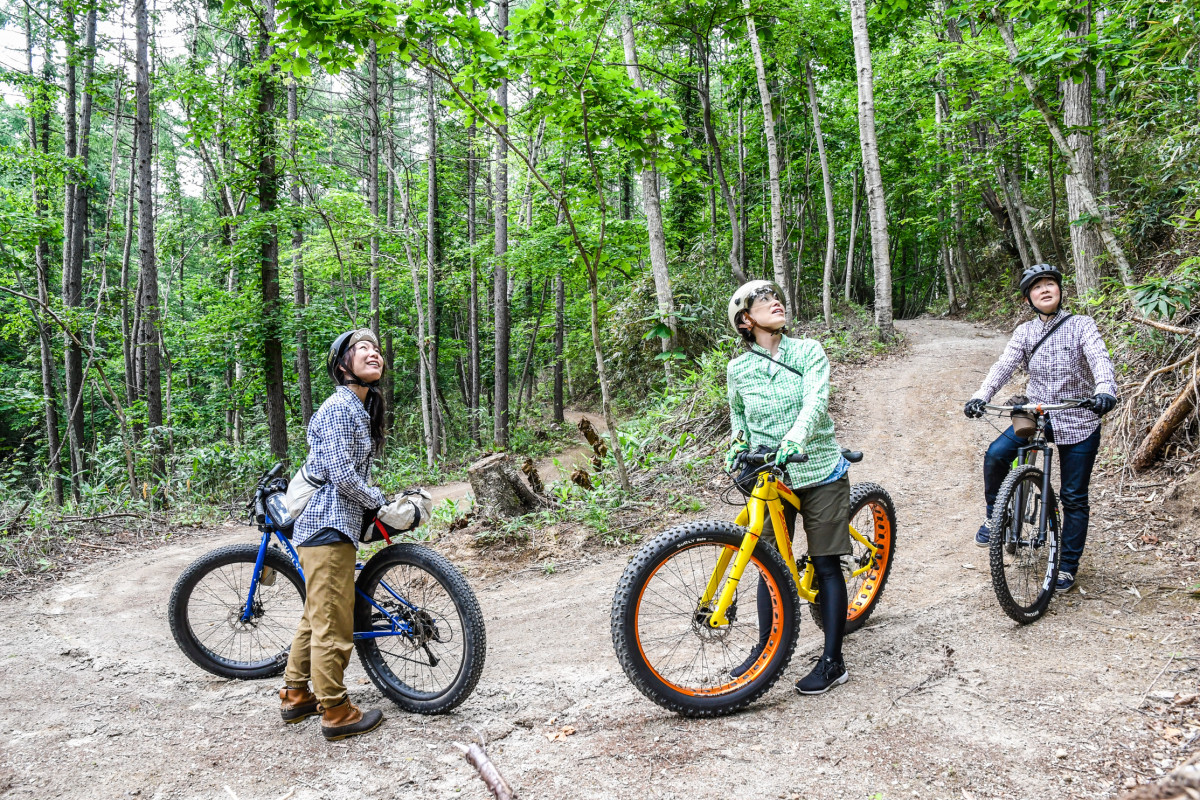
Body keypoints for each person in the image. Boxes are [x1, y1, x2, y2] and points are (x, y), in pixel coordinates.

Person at [279, 329, 431, 740]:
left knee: (317, 614)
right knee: (333, 621)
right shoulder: (337, 408)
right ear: (342, 364)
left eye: (377, 349)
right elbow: (341, 475)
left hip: (330, 525)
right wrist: (380, 502)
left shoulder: (358, 408)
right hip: (326, 526)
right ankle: (336, 711)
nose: (373, 353)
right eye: (362, 348)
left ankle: (296, 696)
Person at [724, 280, 853, 695]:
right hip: (772, 476)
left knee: (826, 562)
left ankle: (833, 661)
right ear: (746, 320)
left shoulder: (808, 351)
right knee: (768, 565)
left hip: (816, 467)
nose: (777, 302)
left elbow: (817, 399)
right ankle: (766, 651)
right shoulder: (738, 369)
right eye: (764, 301)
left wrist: (794, 440)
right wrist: (736, 449)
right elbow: (739, 420)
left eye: (778, 297)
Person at [963, 264, 1118, 593]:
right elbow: (1003, 365)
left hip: (1078, 417)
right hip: (1036, 416)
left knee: (1074, 497)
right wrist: (980, 395)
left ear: (1060, 291)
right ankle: (997, 517)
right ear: (1028, 298)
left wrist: (1105, 389)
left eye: (1050, 284)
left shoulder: (1081, 325)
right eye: (1037, 287)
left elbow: (1099, 358)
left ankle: (1067, 565)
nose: (1045, 289)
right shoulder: (1024, 332)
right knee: (995, 455)